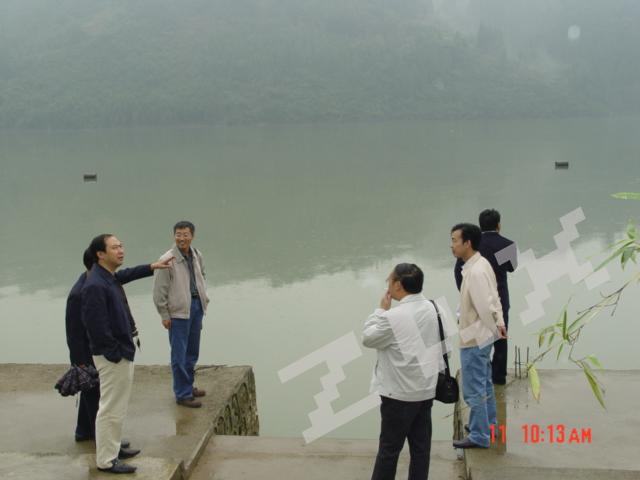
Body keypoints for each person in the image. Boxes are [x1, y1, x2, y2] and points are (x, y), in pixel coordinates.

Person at [82, 234, 172, 474]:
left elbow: (126, 274)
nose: (121, 250)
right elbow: (96, 327)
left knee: (117, 408)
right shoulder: (95, 285)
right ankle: (106, 460)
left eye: (121, 246)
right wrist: (115, 353)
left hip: (121, 352)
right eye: (114, 247)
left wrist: (152, 267)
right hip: (113, 356)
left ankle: (113, 449)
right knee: (110, 408)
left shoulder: (107, 276)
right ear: (100, 254)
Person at [363, 263, 445, 480]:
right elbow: (443, 346)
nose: (388, 285)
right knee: (421, 451)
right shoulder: (436, 309)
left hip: (398, 395)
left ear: (398, 285)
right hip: (425, 391)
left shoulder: (394, 317)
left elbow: (368, 338)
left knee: (389, 451)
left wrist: (380, 310)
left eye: (389, 281)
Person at [450, 224, 507, 449]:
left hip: (475, 337)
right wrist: (499, 324)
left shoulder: (475, 271)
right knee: (484, 384)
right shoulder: (481, 264)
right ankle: (488, 426)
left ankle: (479, 435)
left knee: (473, 389)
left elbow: (485, 306)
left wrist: (495, 326)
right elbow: (495, 298)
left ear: (468, 243)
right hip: (483, 335)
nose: (452, 245)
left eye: (455, 240)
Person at [454, 209, 516, 385]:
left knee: (477, 337)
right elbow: (511, 267)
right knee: (501, 335)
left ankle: (482, 371)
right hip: (499, 297)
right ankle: (498, 376)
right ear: (498, 225)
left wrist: (465, 291)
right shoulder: (506, 245)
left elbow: (458, 271)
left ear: (480, 225)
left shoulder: (472, 245)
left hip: (472, 299)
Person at [153, 221, 210, 408]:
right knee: (179, 355)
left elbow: (202, 276)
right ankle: (182, 394)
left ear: (192, 236)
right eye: (178, 234)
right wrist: (164, 314)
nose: (181, 238)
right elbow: (159, 291)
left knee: (192, 352)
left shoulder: (197, 255)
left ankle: (189, 386)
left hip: (196, 307)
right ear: (174, 236)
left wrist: (204, 299)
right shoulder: (167, 259)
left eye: (185, 234)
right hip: (178, 312)